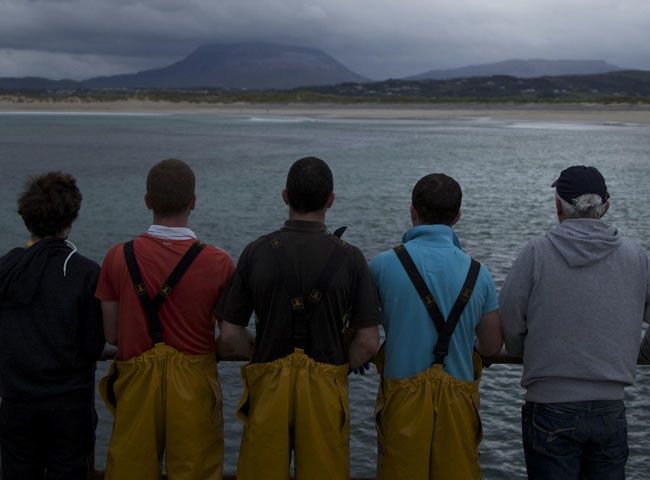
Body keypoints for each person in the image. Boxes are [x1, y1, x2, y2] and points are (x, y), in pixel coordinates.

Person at [216, 156, 382, 480]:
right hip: (324, 386)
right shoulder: (350, 257)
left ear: (285, 196)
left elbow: (230, 337)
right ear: (330, 200)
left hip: (268, 385)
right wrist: (341, 362)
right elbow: (368, 342)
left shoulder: (256, 251)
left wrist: (261, 350)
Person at [500, 165, 650, 479]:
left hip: (550, 406)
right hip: (611, 406)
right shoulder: (636, 256)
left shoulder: (536, 252)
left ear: (558, 206)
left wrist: (521, 350)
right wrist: (640, 353)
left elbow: (510, 317)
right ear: (606, 206)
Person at [96, 158, 235, 480]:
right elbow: (229, 337)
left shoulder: (118, 257)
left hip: (136, 382)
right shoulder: (218, 261)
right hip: (194, 382)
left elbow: (112, 335)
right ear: (193, 202)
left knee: (129, 471)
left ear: (147, 201)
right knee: (196, 471)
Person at [369, 173, 501, 480]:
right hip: (458, 397)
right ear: (457, 217)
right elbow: (492, 346)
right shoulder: (479, 274)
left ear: (412, 211)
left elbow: (362, 332)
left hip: (401, 396)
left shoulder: (381, 265)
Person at [0, 171, 104, 480]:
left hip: (16, 403)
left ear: (26, 217)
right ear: (71, 217)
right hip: (69, 407)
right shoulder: (84, 272)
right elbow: (93, 345)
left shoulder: (5, 268)